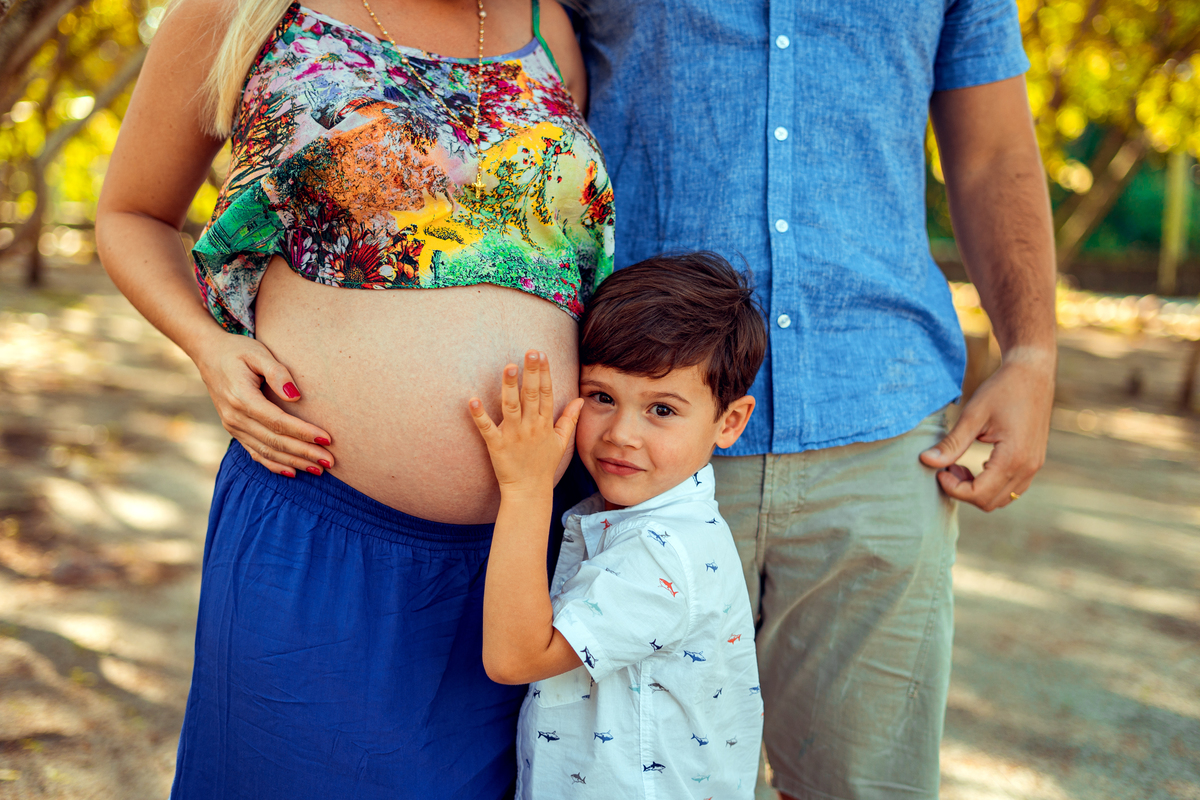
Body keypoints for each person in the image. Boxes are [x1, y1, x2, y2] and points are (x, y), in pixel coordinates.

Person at [95, 0, 613, 796]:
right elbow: (132, 214)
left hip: (525, 559)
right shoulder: (240, 14)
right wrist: (209, 346)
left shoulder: (549, 27)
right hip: (319, 530)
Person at [576, 2, 1057, 799]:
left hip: (880, 424)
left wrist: (1033, 354)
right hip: (641, 447)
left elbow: (994, 149)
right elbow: (505, 87)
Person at [468, 253, 768, 798]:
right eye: (602, 398)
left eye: (662, 410)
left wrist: (527, 487)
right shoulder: (641, 521)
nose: (622, 434)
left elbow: (514, 658)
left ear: (730, 422)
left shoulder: (663, 551)